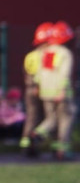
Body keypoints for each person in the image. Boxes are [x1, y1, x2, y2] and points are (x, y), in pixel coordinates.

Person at [30, 21, 75, 160]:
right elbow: (65, 74)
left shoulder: (45, 52)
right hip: (60, 93)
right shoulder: (65, 54)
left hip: (46, 92)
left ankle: (38, 133)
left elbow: (40, 72)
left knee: (51, 119)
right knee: (66, 120)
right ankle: (62, 150)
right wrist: (62, 90)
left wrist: (38, 87)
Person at [20, 22, 53, 155]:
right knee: (48, 117)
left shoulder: (30, 55)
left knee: (32, 117)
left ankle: (25, 143)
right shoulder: (47, 56)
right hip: (41, 89)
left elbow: (27, 73)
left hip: (29, 89)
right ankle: (36, 142)